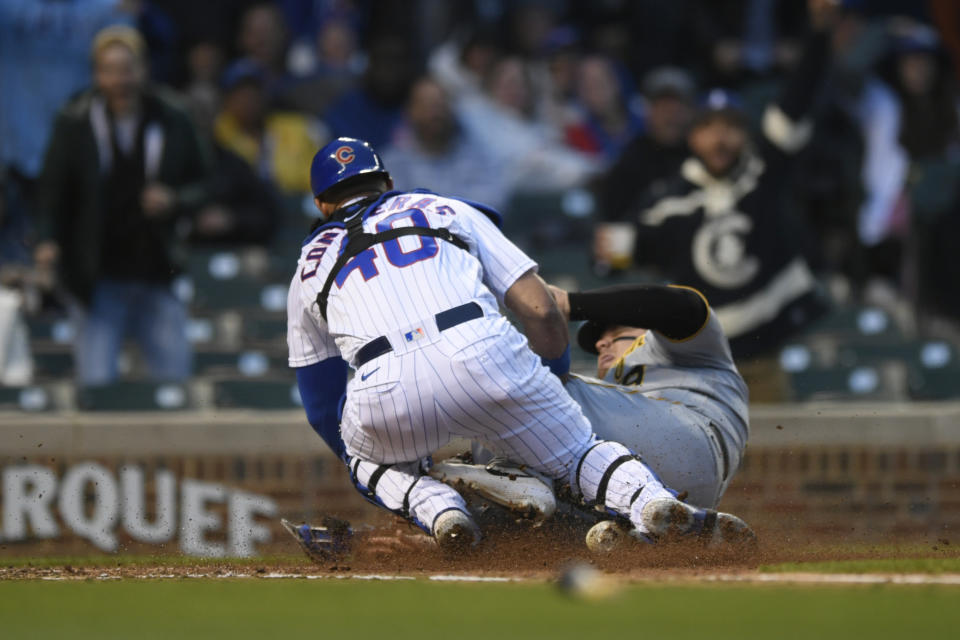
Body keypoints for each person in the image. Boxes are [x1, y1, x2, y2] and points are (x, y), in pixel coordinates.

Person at [286, 136, 754, 552]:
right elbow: (540, 309)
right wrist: (551, 383)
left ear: (320, 205)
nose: (607, 342)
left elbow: (323, 406)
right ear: (387, 183)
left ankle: (439, 509)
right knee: (576, 454)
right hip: (481, 349)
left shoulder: (306, 264)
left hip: (379, 380)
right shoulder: (445, 208)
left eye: (617, 334)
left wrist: (371, 466)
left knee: (369, 462)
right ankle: (648, 505)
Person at [594, 0, 838, 365]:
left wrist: (819, 34)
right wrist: (608, 248)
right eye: (709, 127)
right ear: (692, 138)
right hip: (704, 356)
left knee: (782, 423)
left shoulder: (764, 171)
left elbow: (796, 103)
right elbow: (618, 253)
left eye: (731, 127)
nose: (720, 139)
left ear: (746, 134)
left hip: (771, 343)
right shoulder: (670, 198)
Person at [38, 25, 208, 386]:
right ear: (97, 74)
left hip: (158, 270)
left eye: (127, 69)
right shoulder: (75, 121)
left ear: (143, 69)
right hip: (97, 276)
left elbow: (207, 182)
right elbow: (52, 191)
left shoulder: (172, 116)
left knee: (176, 384)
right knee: (97, 385)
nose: (120, 80)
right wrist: (47, 240)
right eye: (109, 70)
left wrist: (175, 199)